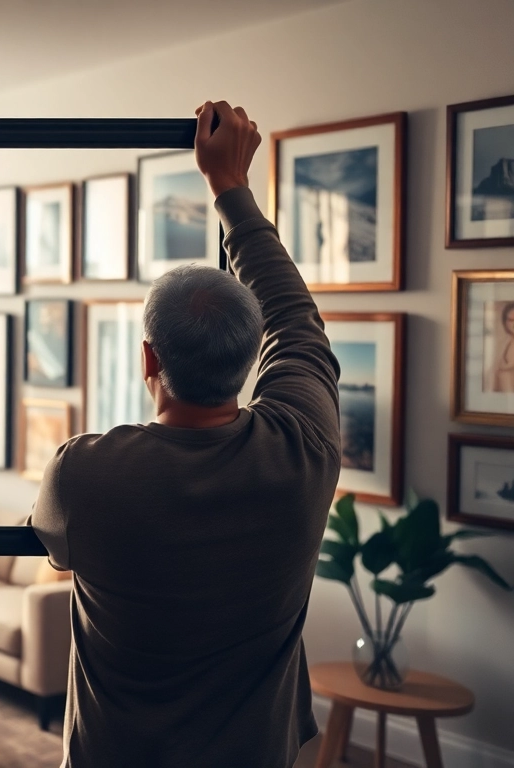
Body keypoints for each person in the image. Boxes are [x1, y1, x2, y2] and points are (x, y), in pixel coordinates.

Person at [31, 101, 342, 768]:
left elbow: (55, 545)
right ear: (252, 357)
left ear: (148, 359)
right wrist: (229, 186)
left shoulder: (85, 474)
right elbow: (296, 321)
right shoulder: (302, 453)